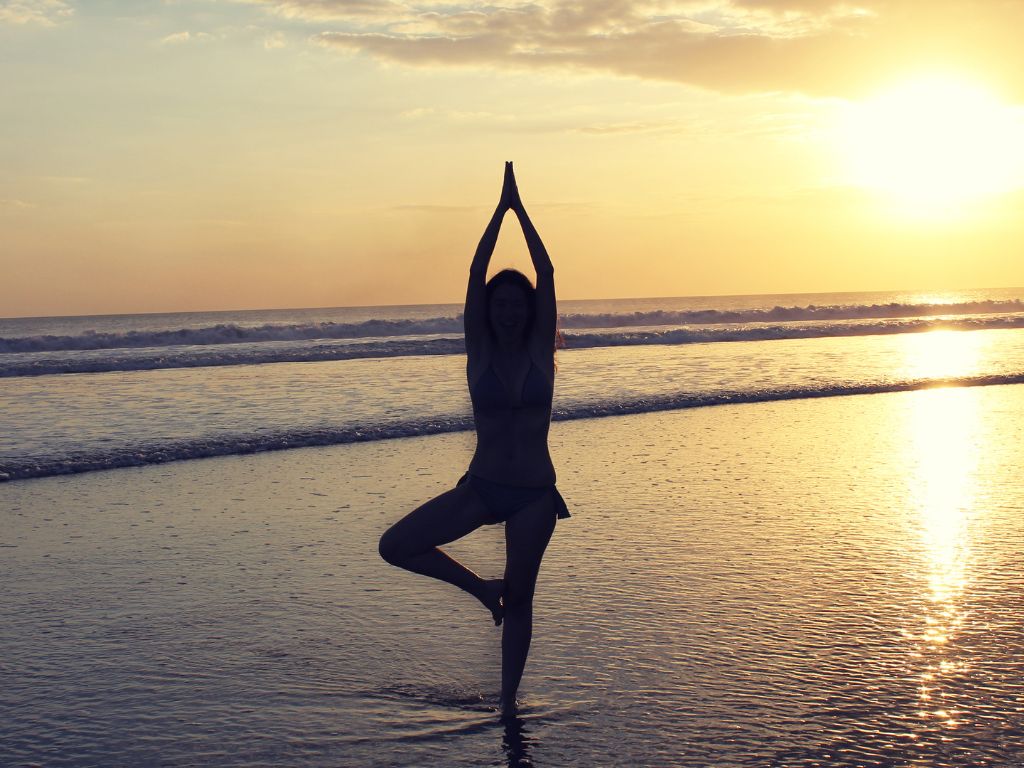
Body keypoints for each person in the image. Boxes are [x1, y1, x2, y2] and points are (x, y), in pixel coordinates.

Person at [378, 161, 569, 716]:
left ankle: (508, 705)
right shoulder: (479, 354)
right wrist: (497, 212)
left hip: (534, 493)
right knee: (395, 545)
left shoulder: (541, 355)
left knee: (524, 599)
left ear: (528, 310)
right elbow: (473, 274)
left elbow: (549, 277)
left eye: (517, 303)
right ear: (490, 310)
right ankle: (482, 590)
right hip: (483, 487)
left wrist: (521, 211)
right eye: (499, 303)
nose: (508, 310)